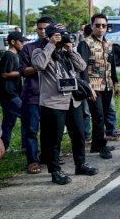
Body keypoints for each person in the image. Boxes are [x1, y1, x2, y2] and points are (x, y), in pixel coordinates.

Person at [32, 24, 99, 185]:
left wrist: (70, 50)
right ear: (49, 36)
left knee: (79, 134)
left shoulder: (65, 53)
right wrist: (51, 45)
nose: (60, 38)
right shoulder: (40, 51)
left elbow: (82, 66)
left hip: (72, 101)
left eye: (61, 35)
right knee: (53, 139)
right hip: (53, 102)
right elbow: (39, 65)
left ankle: (80, 164)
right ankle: (55, 171)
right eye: (57, 35)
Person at [77, 13, 120, 159]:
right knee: (98, 116)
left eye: (104, 25)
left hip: (107, 85)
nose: (101, 28)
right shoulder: (85, 43)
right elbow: (81, 68)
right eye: (97, 25)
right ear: (92, 26)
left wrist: (116, 83)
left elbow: (112, 65)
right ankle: (101, 146)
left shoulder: (108, 44)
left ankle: (96, 144)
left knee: (105, 115)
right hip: (94, 86)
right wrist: (87, 87)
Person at [19, 16, 54, 174]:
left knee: (50, 130)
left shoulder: (57, 47)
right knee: (31, 130)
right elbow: (23, 71)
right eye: (40, 28)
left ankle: (48, 157)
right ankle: (32, 161)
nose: (42, 31)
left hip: (52, 97)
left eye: (46, 28)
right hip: (32, 96)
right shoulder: (28, 48)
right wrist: (39, 65)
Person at [0, 32, 28, 151]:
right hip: (9, 94)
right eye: (21, 41)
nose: (23, 44)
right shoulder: (9, 55)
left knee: (9, 121)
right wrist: (24, 72)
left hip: (10, 93)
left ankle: (4, 146)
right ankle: (26, 146)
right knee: (26, 116)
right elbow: (4, 74)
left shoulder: (15, 55)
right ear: (13, 42)